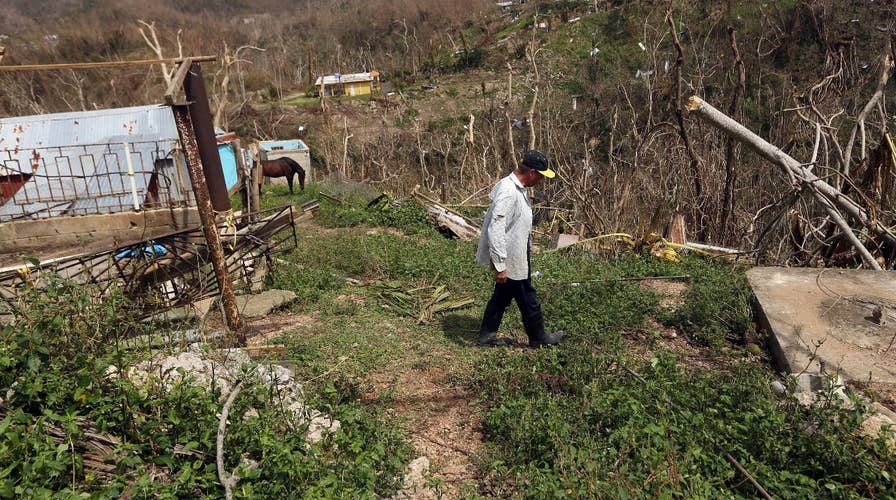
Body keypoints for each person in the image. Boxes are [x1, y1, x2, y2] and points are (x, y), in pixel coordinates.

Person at [475, 150, 564, 348]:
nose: (541, 180)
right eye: (540, 176)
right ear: (532, 172)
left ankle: (486, 337)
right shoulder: (508, 191)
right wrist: (500, 264)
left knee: (501, 297)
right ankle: (538, 338)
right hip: (510, 258)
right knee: (528, 298)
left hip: (516, 255)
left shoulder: (518, 189)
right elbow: (495, 227)